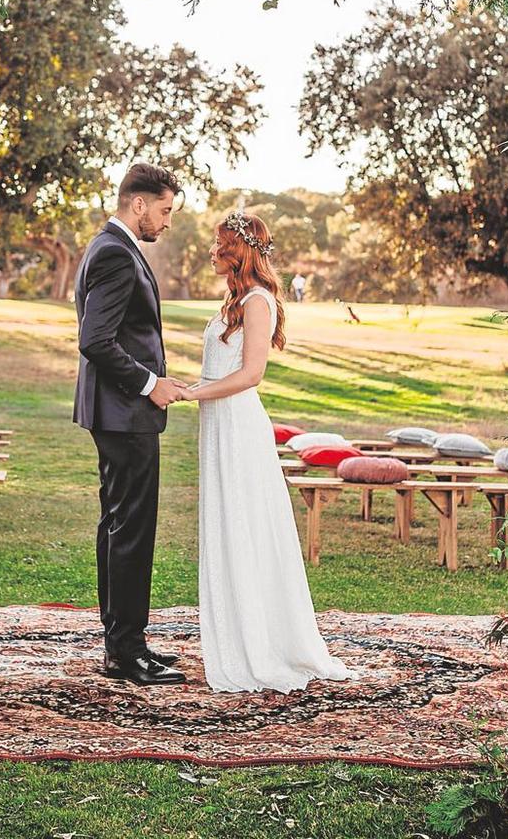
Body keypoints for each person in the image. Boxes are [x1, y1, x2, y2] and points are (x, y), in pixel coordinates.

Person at [175, 212, 356, 693]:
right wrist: (194, 388)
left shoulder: (258, 302)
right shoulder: (233, 300)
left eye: (219, 243)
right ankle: (235, 631)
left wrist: (195, 393)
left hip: (237, 425)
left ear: (238, 251)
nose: (212, 251)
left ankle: (260, 644)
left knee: (245, 524)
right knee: (228, 522)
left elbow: (251, 374)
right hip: (218, 423)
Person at [73, 163, 188, 687]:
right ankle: (125, 651)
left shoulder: (109, 247)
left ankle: (124, 643)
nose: (167, 222)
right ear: (138, 204)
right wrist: (150, 384)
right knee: (131, 531)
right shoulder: (116, 253)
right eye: (164, 210)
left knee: (119, 527)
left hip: (119, 413)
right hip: (125, 413)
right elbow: (96, 341)